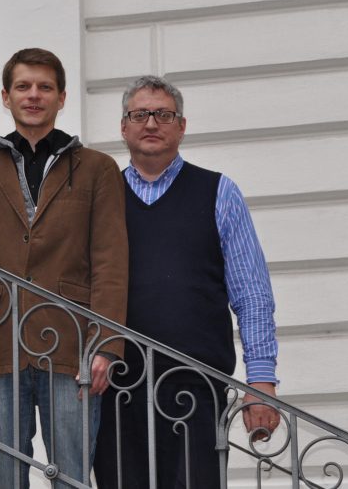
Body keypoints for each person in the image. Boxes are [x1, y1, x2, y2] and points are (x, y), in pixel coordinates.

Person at [0, 48, 128, 488]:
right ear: (6, 97)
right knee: (3, 477)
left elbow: (110, 260)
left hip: (72, 347)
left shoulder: (98, 169)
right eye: (23, 87)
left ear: (61, 97)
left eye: (45, 87)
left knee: (71, 476)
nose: (34, 96)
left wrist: (106, 345)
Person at [93, 76, 280, 489]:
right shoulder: (100, 199)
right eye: (139, 114)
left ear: (181, 125)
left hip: (197, 387)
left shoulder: (219, 192)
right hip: (116, 387)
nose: (152, 123)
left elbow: (251, 293)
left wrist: (261, 382)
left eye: (164, 114)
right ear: (124, 127)